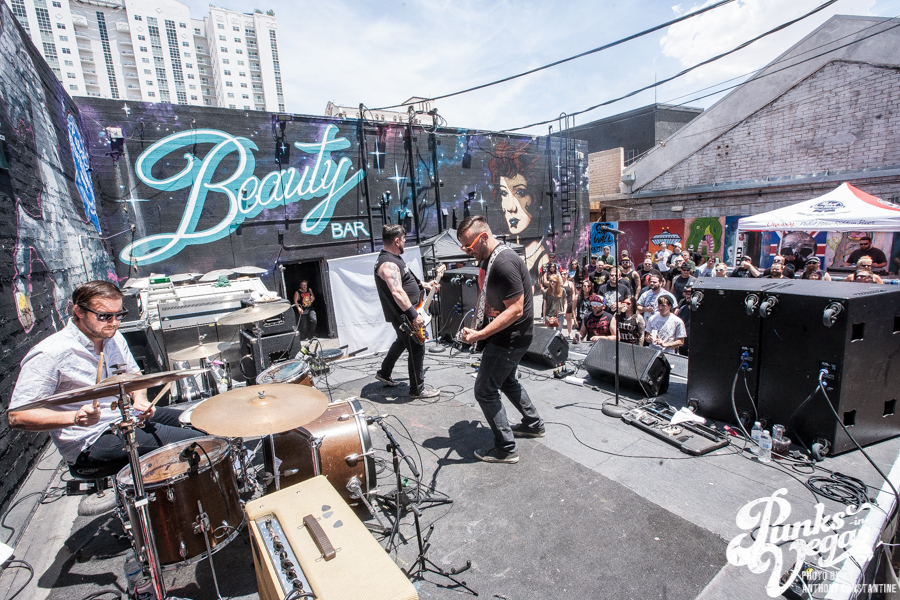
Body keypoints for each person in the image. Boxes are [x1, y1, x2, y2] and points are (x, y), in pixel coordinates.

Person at [8, 281, 202, 467]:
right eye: (104, 316)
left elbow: (134, 376)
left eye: (119, 315)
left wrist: (139, 399)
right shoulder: (50, 353)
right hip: (91, 439)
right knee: (199, 442)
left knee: (200, 421)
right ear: (79, 312)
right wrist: (75, 417)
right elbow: (17, 416)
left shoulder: (114, 337)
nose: (114, 322)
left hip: (127, 417)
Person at [458, 215, 544, 464]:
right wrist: (477, 326)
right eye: (464, 248)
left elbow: (516, 309)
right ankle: (533, 424)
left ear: (484, 237)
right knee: (506, 380)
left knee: (485, 390)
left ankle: (506, 448)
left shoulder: (504, 262)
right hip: (507, 336)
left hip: (509, 339)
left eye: (469, 246)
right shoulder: (489, 259)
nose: (467, 252)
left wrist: (481, 334)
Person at [373, 224, 440, 398]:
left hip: (407, 313)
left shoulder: (395, 259)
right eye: (403, 239)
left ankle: (384, 372)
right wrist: (413, 315)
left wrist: (424, 284)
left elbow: (405, 280)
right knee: (417, 348)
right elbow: (397, 292)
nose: (405, 242)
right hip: (404, 316)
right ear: (396, 241)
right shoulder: (388, 264)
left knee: (402, 342)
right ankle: (417, 389)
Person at [674, 282, 694, 356]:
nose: (688, 296)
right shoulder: (682, 309)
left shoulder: (701, 311)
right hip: (683, 346)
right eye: (686, 293)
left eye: (690, 293)